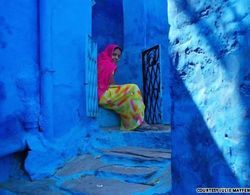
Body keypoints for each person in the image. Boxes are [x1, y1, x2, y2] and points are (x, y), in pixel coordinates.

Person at [98, 44, 153, 130]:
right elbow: (111, 85)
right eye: (114, 54)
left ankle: (137, 122)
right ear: (109, 53)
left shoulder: (102, 62)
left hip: (101, 96)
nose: (116, 58)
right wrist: (123, 90)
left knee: (130, 94)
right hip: (104, 95)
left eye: (118, 56)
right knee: (133, 89)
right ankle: (139, 122)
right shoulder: (109, 65)